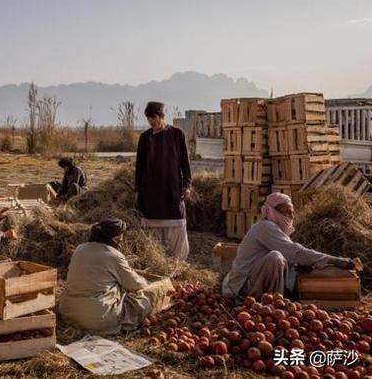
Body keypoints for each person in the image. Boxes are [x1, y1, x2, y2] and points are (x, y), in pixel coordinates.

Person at [222, 192, 355, 301]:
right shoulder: (266, 227)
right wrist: (334, 260)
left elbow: (292, 254)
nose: (291, 217)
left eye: (292, 213)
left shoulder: (274, 228)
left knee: (287, 262)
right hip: (244, 286)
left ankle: (276, 299)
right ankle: (270, 303)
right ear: (272, 211)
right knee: (275, 258)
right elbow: (296, 252)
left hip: (255, 279)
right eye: (287, 213)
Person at [59, 218, 157, 335]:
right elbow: (134, 284)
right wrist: (146, 282)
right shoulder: (114, 255)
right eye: (119, 239)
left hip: (68, 312)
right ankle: (123, 324)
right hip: (97, 317)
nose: (120, 241)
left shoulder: (80, 249)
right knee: (145, 302)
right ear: (113, 238)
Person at [135, 101, 192, 260]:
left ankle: (177, 261)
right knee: (151, 224)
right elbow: (139, 166)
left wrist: (186, 184)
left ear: (161, 116)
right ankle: (156, 259)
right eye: (148, 120)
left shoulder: (177, 134)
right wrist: (137, 189)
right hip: (150, 190)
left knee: (177, 221)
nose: (151, 123)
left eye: (154, 119)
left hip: (172, 188)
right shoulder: (145, 138)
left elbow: (185, 163)